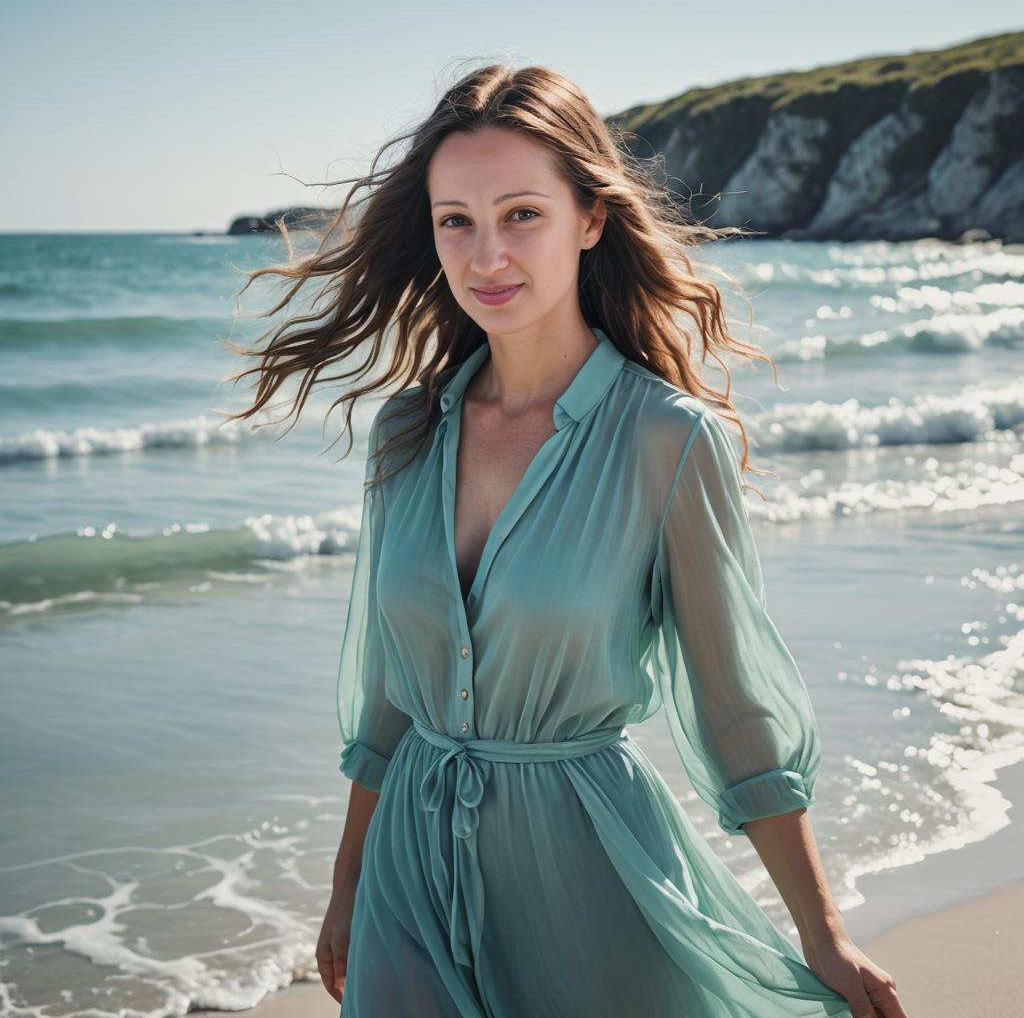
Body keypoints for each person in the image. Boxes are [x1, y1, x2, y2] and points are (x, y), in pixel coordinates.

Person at [226, 62, 908, 1018]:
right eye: (455, 220)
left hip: (582, 878)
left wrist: (823, 934)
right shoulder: (407, 435)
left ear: (591, 218)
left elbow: (735, 710)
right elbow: (387, 689)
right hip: (407, 883)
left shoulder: (668, 441)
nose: (485, 255)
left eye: (521, 215)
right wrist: (347, 882)